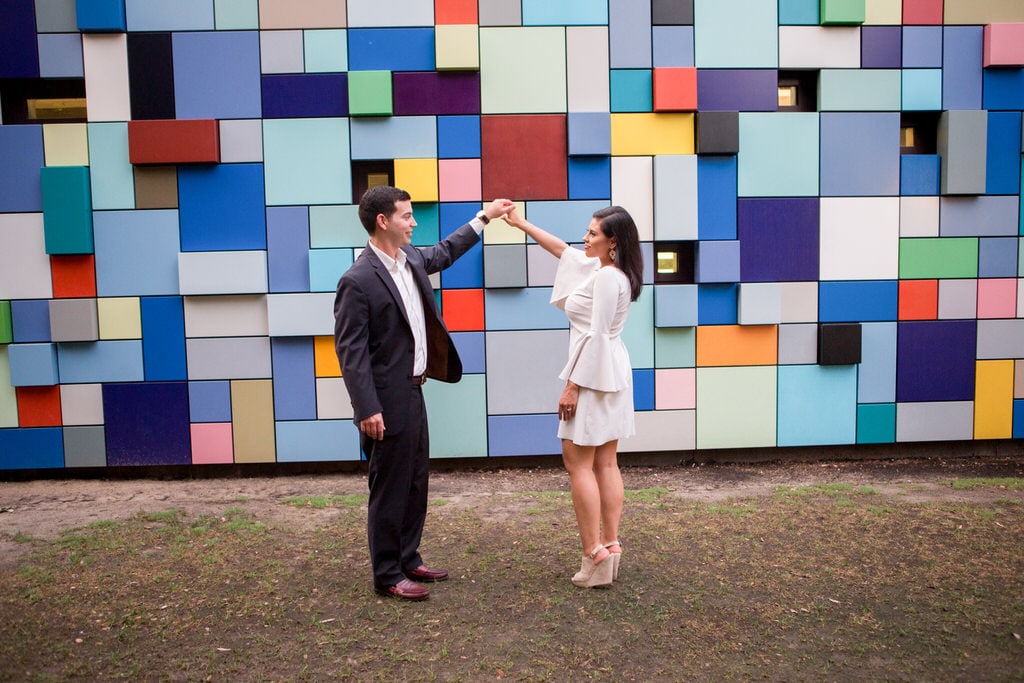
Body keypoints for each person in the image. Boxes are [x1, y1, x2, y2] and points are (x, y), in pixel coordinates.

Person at [334, 186, 515, 601]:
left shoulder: (411, 259)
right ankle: (387, 574)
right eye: (407, 216)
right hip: (384, 401)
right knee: (390, 487)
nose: (414, 223)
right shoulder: (357, 280)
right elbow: (351, 352)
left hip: (415, 392)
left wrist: (484, 217)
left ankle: (408, 557)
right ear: (383, 221)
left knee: (416, 481)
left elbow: (446, 251)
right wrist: (367, 408)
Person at [504, 205, 643, 588]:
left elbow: (595, 336)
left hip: (592, 373)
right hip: (613, 370)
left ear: (612, 242)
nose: (585, 238)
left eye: (593, 234)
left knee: (577, 461)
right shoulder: (612, 273)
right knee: (606, 462)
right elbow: (562, 251)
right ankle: (610, 546)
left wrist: (572, 385)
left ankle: (592, 554)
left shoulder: (604, 279)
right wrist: (521, 223)